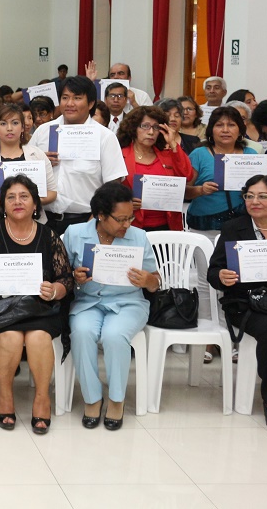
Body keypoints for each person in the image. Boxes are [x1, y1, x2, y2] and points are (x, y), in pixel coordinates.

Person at [0, 175, 73, 433]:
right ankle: (4, 396)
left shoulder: (49, 235)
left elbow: (65, 280)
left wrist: (54, 291)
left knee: (39, 338)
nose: (18, 202)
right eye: (11, 197)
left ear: (35, 203)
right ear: (2, 204)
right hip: (1, 308)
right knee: (10, 339)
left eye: (24, 196)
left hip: (41, 307)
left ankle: (42, 398)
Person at [64, 182, 159, 430]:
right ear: (100, 216)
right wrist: (75, 277)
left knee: (114, 336)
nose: (126, 225)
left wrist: (148, 280)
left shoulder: (139, 236)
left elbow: (155, 281)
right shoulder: (74, 233)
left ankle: (117, 399)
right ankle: (92, 398)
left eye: (130, 218)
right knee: (82, 333)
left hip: (128, 302)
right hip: (87, 302)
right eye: (120, 219)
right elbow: (61, 274)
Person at [207, 175, 267, 430]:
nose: (254, 201)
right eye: (249, 196)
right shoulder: (233, 228)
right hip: (245, 302)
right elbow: (213, 272)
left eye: (263, 196)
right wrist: (221, 276)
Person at [28, 76, 127, 234]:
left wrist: (92, 223)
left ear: (91, 103)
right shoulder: (43, 132)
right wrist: (39, 163)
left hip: (85, 221)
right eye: (65, 98)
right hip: (42, 220)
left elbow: (112, 187)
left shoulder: (104, 137)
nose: (70, 104)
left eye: (77, 98)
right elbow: (24, 173)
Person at [0, 103, 57, 227]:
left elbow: (52, 192)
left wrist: (30, 202)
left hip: (34, 224)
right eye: (3, 124)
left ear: (23, 127)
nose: (9, 128)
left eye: (15, 123)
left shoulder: (37, 154)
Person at [185, 106, 258, 237]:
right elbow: (184, 192)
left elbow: (262, 188)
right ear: (211, 130)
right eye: (219, 125)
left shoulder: (251, 154)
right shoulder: (199, 154)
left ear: (240, 130)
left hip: (243, 224)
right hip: (205, 226)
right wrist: (201, 190)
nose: (225, 130)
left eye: (231, 125)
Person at [117, 106, 194, 232]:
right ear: (133, 128)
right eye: (145, 126)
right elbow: (109, 191)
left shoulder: (168, 155)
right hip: (130, 225)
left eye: (156, 127)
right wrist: (125, 202)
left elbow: (187, 176)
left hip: (167, 227)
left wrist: (173, 143)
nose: (151, 132)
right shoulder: (120, 155)